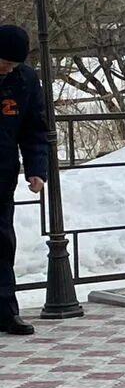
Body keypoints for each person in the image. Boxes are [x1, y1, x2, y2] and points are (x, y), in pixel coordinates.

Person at [0, 24, 47, 337]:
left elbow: (34, 129)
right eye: (3, 61)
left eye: (14, 64)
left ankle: (6, 313)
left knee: (2, 245)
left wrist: (36, 169)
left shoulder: (26, 80)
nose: (7, 68)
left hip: (1, 176)